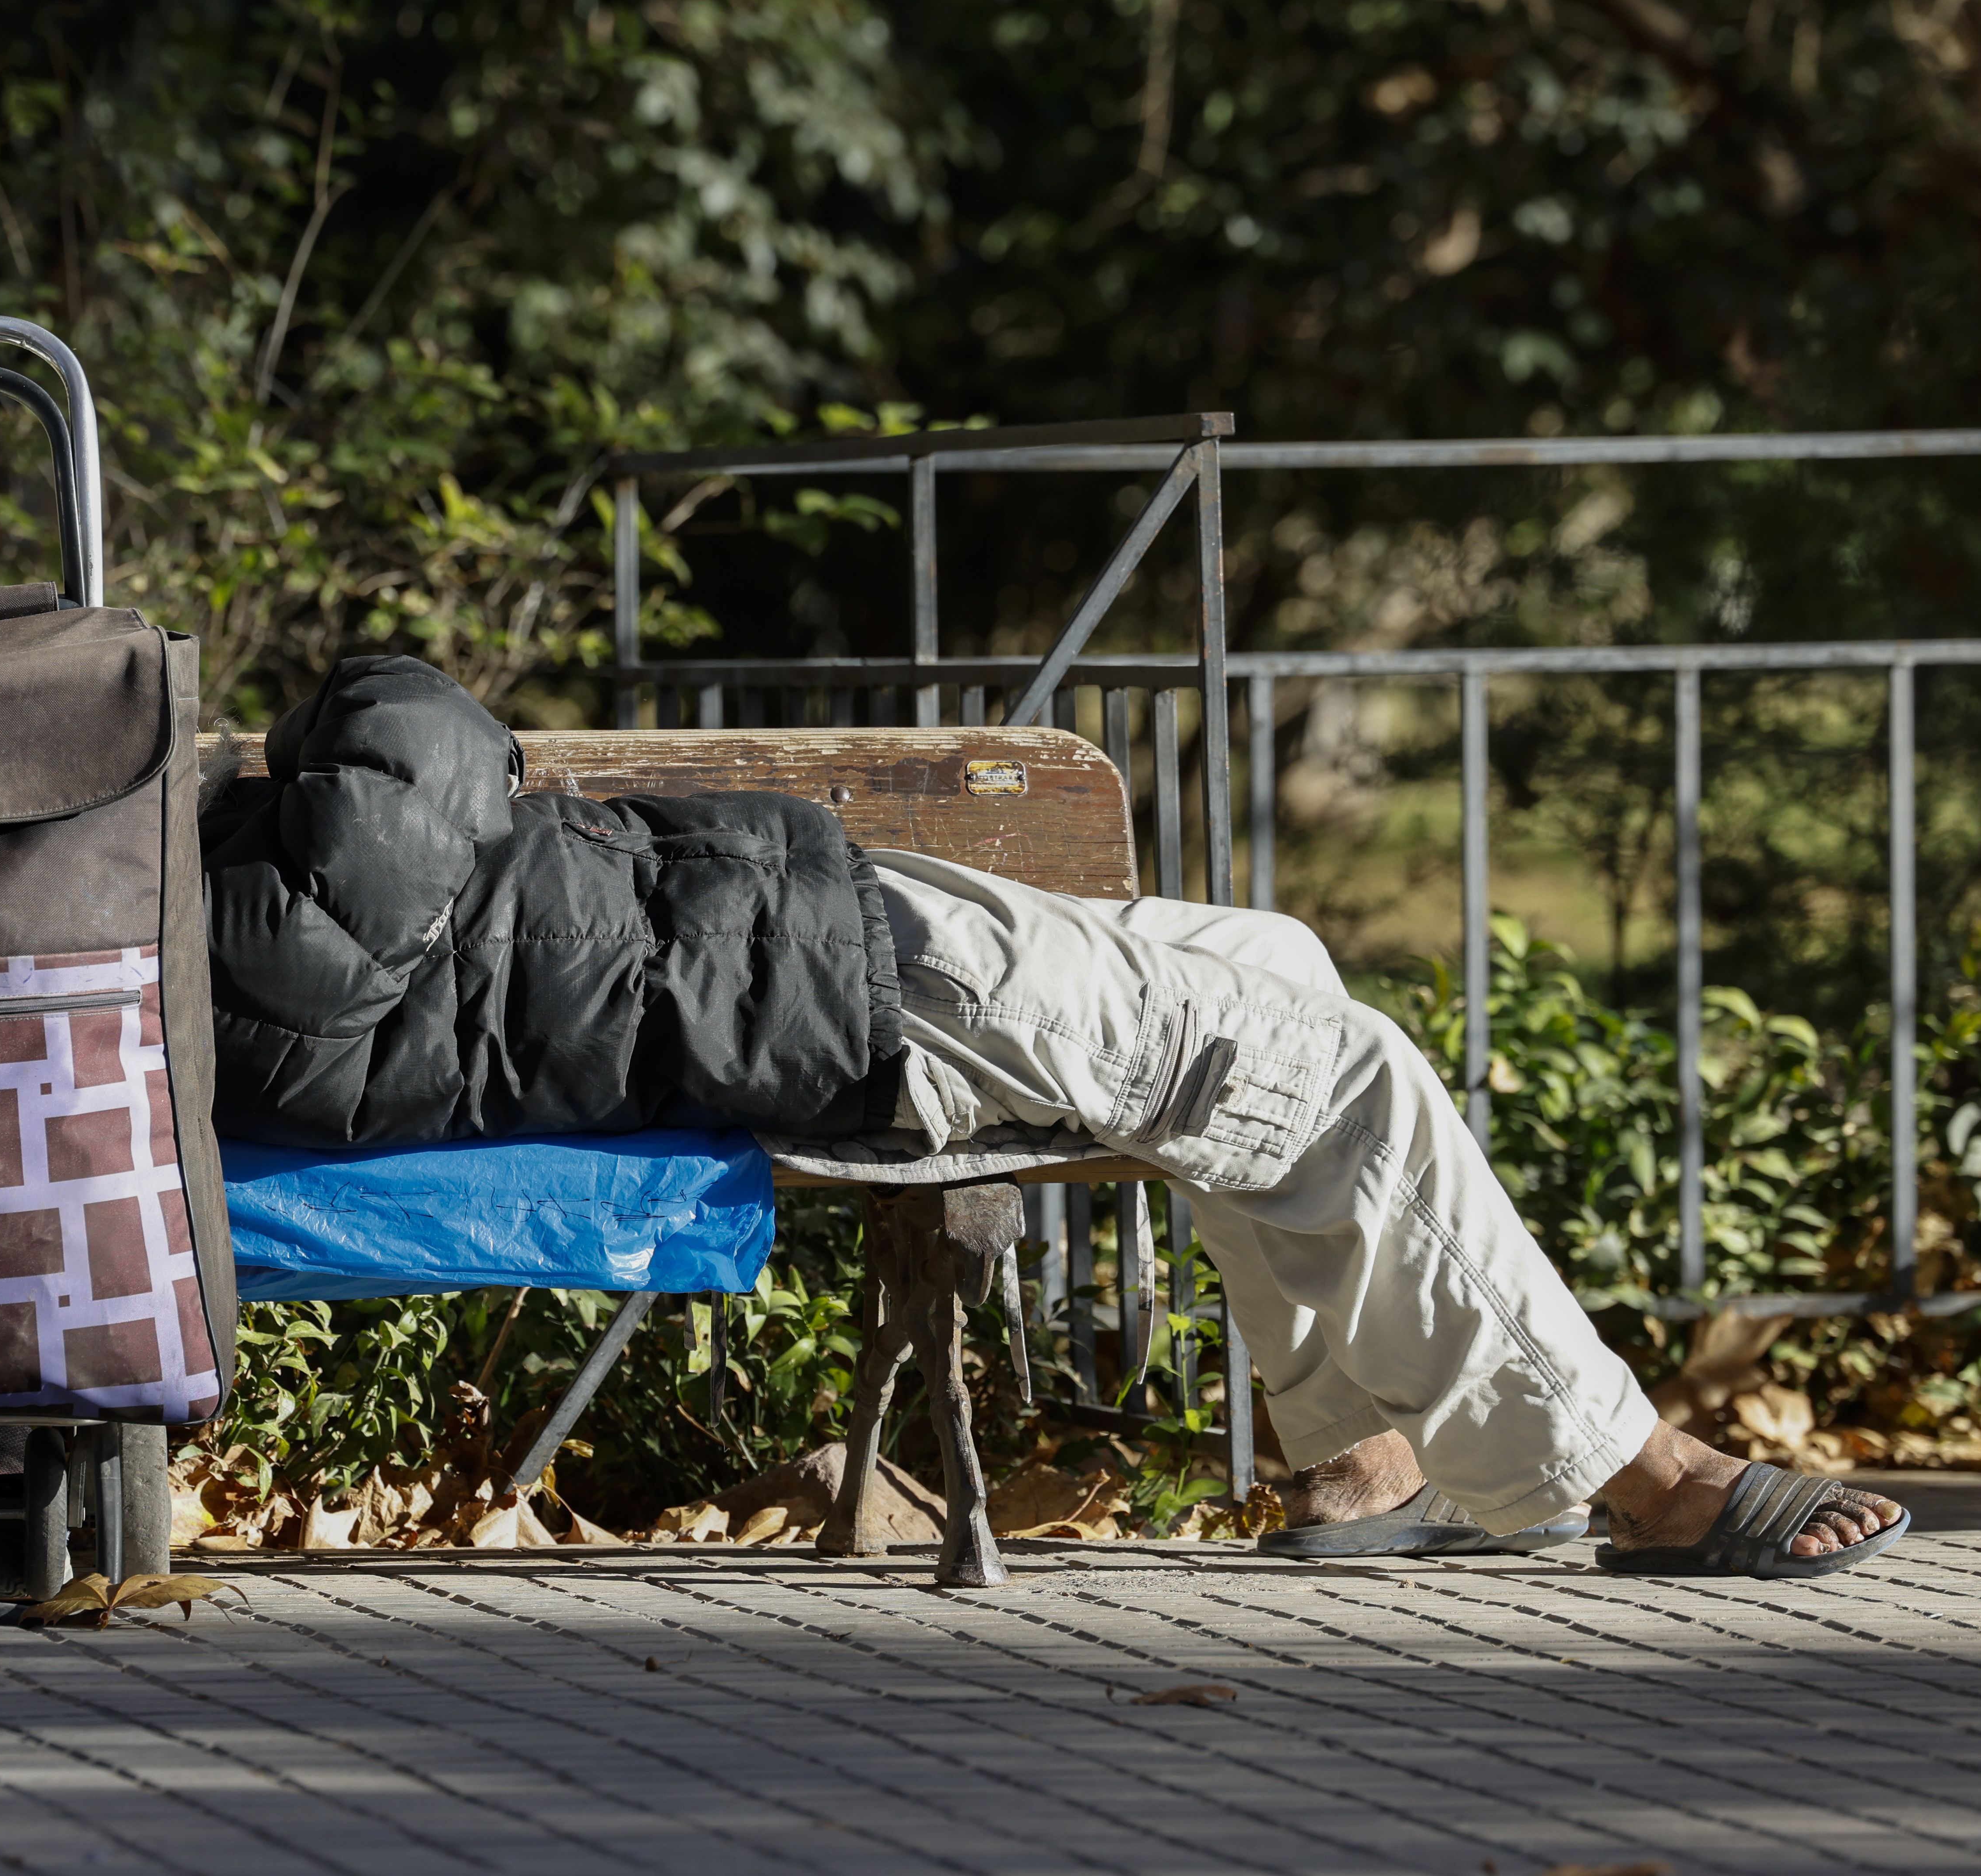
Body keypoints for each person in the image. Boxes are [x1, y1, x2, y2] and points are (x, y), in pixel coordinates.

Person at [204, 655, 1908, 1581]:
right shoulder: (269, 939)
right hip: (854, 997)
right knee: (1342, 1070)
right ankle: (1642, 1471)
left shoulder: (240, 925)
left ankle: (1351, 1459)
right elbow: (419, 729)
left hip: (816, 943)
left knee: (1276, 961)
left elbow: (431, 788)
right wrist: (318, 719)